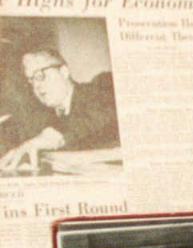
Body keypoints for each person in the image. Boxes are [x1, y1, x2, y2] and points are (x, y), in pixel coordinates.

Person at [0, 45, 119, 175]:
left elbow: (96, 115)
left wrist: (54, 136)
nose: (36, 85)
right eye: (31, 80)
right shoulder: (43, 114)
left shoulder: (99, 92)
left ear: (64, 71)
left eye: (40, 75)